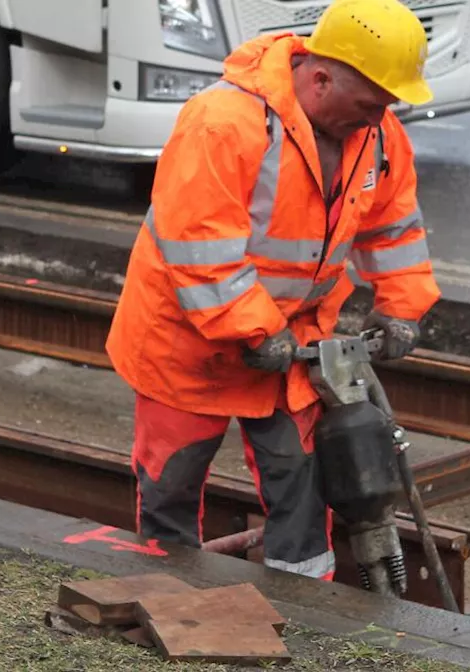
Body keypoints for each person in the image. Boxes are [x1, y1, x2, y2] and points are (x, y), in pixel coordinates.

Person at [105, 0, 441, 582]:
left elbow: (393, 228)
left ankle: (305, 617)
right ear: (319, 78)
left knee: (305, 497)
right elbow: (200, 249)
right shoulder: (223, 123)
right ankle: (170, 611)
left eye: (388, 105)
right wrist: (257, 329)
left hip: (293, 346)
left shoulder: (376, 136)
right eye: (370, 103)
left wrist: (402, 309)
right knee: (171, 495)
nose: (380, 116)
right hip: (189, 346)